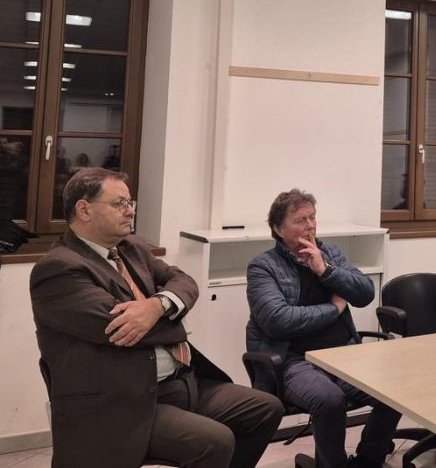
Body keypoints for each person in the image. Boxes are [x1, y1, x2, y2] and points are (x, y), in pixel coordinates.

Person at [30, 168, 283, 468]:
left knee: (265, 409)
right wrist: (179, 318)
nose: (130, 211)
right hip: (121, 403)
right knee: (215, 441)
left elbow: (184, 281)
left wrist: (158, 306)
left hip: (182, 382)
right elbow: (120, 329)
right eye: (119, 204)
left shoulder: (131, 248)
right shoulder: (59, 268)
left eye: (131, 202)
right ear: (84, 209)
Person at [246, 189, 401, 468]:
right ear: (278, 229)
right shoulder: (263, 267)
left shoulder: (330, 253)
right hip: (293, 359)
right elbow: (278, 320)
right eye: (300, 220)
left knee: (395, 391)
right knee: (329, 400)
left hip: (342, 354)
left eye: (313, 218)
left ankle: (368, 460)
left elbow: (365, 293)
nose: (310, 226)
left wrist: (325, 270)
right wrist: (334, 309)